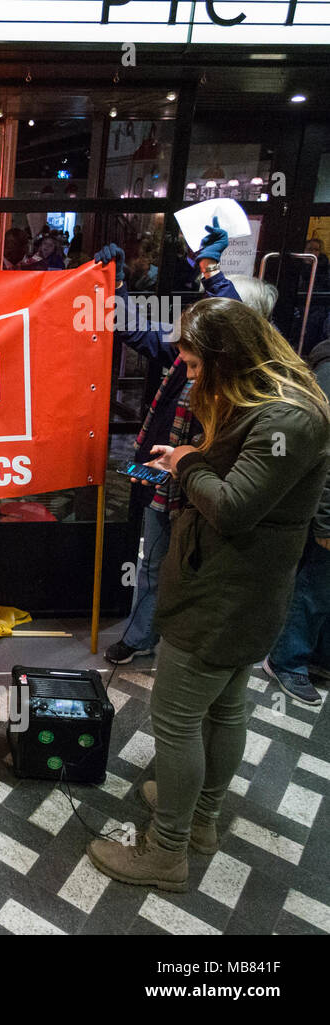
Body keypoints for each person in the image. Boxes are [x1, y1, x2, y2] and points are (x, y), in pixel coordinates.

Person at [87, 298, 330, 891]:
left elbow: (234, 507)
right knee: (223, 709)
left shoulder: (286, 420)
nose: (189, 378)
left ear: (227, 357)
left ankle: (166, 851)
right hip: (234, 591)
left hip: (225, 597)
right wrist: (190, 459)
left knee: (176, 723)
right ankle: (200, 820)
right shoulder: (269, 404)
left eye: (195, 367)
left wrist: (187, 462)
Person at [97, 220, 242, 665]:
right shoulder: (183, 353)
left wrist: (211, 269)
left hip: (201, 483)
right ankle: (143, 637)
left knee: (185, 563)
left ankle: (181, 638)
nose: (183, 361)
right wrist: (117, 284)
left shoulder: (230, 364)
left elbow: (228, 317)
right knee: (154, 559)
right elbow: (133, 331)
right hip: (161, 471)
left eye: (192, 357)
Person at [262, 331, 330, 705]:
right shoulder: (328, 368)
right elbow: (324, 452)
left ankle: (316, 655)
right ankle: (289, 659)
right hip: (321, 506)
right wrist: (325, 519)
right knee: (316, 585)